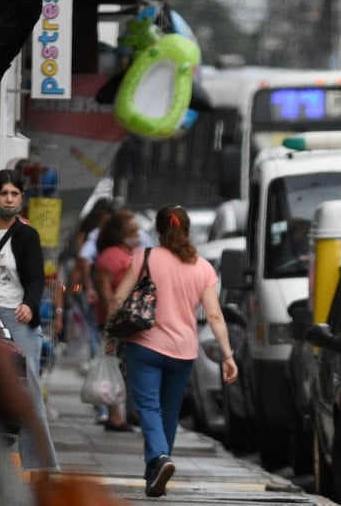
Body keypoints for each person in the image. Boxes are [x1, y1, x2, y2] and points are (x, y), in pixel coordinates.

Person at [106, 205, 238, 498]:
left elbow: (117, 298)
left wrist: (111, 333)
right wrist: (227, 355)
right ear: (187, 231)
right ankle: (155, 471)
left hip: (144, 345)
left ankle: (159, 458)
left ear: (158, 230)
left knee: (148, 408)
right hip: (183, 352)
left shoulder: (145, 256)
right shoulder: (202, 268)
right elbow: (214, 315)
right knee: (169, 412)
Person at [0, 168, 58, 472]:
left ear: (21, 198)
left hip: (16, 315)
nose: (9, 199)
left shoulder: (26, 235)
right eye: (3, 193)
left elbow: (36, 278)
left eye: (14, 194)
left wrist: (30, 305)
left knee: (28, 390)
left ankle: (42, 467)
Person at [91, 209, 144, 432]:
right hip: (116, 323)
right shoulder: (111, 257)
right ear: (120, 234)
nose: (137, 235)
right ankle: (114, 416)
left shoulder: (128, 253)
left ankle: (129, 413)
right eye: (132, 231)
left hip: (129, 321)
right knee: (114, 367)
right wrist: (112, 319)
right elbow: (105, 290)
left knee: (127, 368)